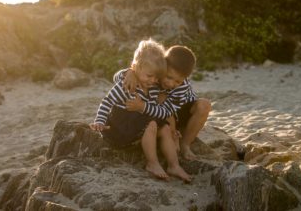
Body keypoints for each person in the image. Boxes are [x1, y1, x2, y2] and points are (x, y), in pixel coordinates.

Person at [90, 40, 191, 182]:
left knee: (165, 128)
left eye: (157, 77)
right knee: (152, 124)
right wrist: (99, 121)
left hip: (136, 124)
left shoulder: (154, 87)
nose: (153, 80)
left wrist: (143, 107)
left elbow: (163, 112)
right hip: (119, 128)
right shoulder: (127, 84)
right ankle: (152, 163)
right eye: (149, 76)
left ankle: (174, 165)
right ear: (135, 67)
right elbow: (107, 102)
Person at [114, 45, 212, 160]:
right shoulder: (155, 72)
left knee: (204, 105)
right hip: (160, 112)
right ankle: (169, 137)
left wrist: (174, 131)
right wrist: (129, 73)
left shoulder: (183, 86)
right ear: (164, 65)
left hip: (178, 110)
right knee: (161, 96)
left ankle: (185, 144)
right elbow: (116, 79)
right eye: (169, 77)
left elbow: (168, 110)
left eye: (177, 81)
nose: (171, 84)